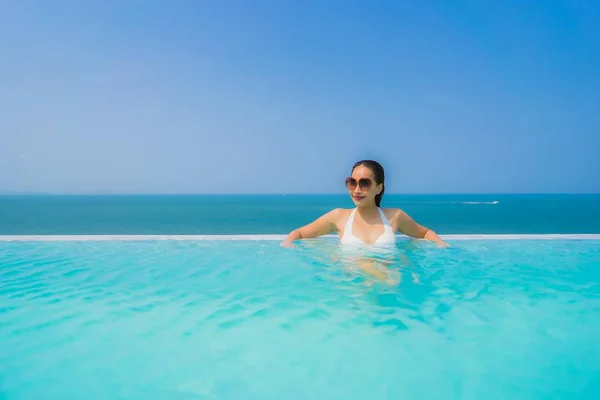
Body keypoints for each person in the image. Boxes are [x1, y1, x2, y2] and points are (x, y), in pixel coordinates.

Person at [281, 160, 449, 248]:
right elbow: (299, 233)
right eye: (352, 182)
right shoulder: (338, 216)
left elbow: (425, 232)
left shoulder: (395, 216)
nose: (357, 190)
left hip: (388, 290)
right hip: (353, 290)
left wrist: (442, 245)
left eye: (365, 183)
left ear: (379, 188)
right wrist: (287, 245)